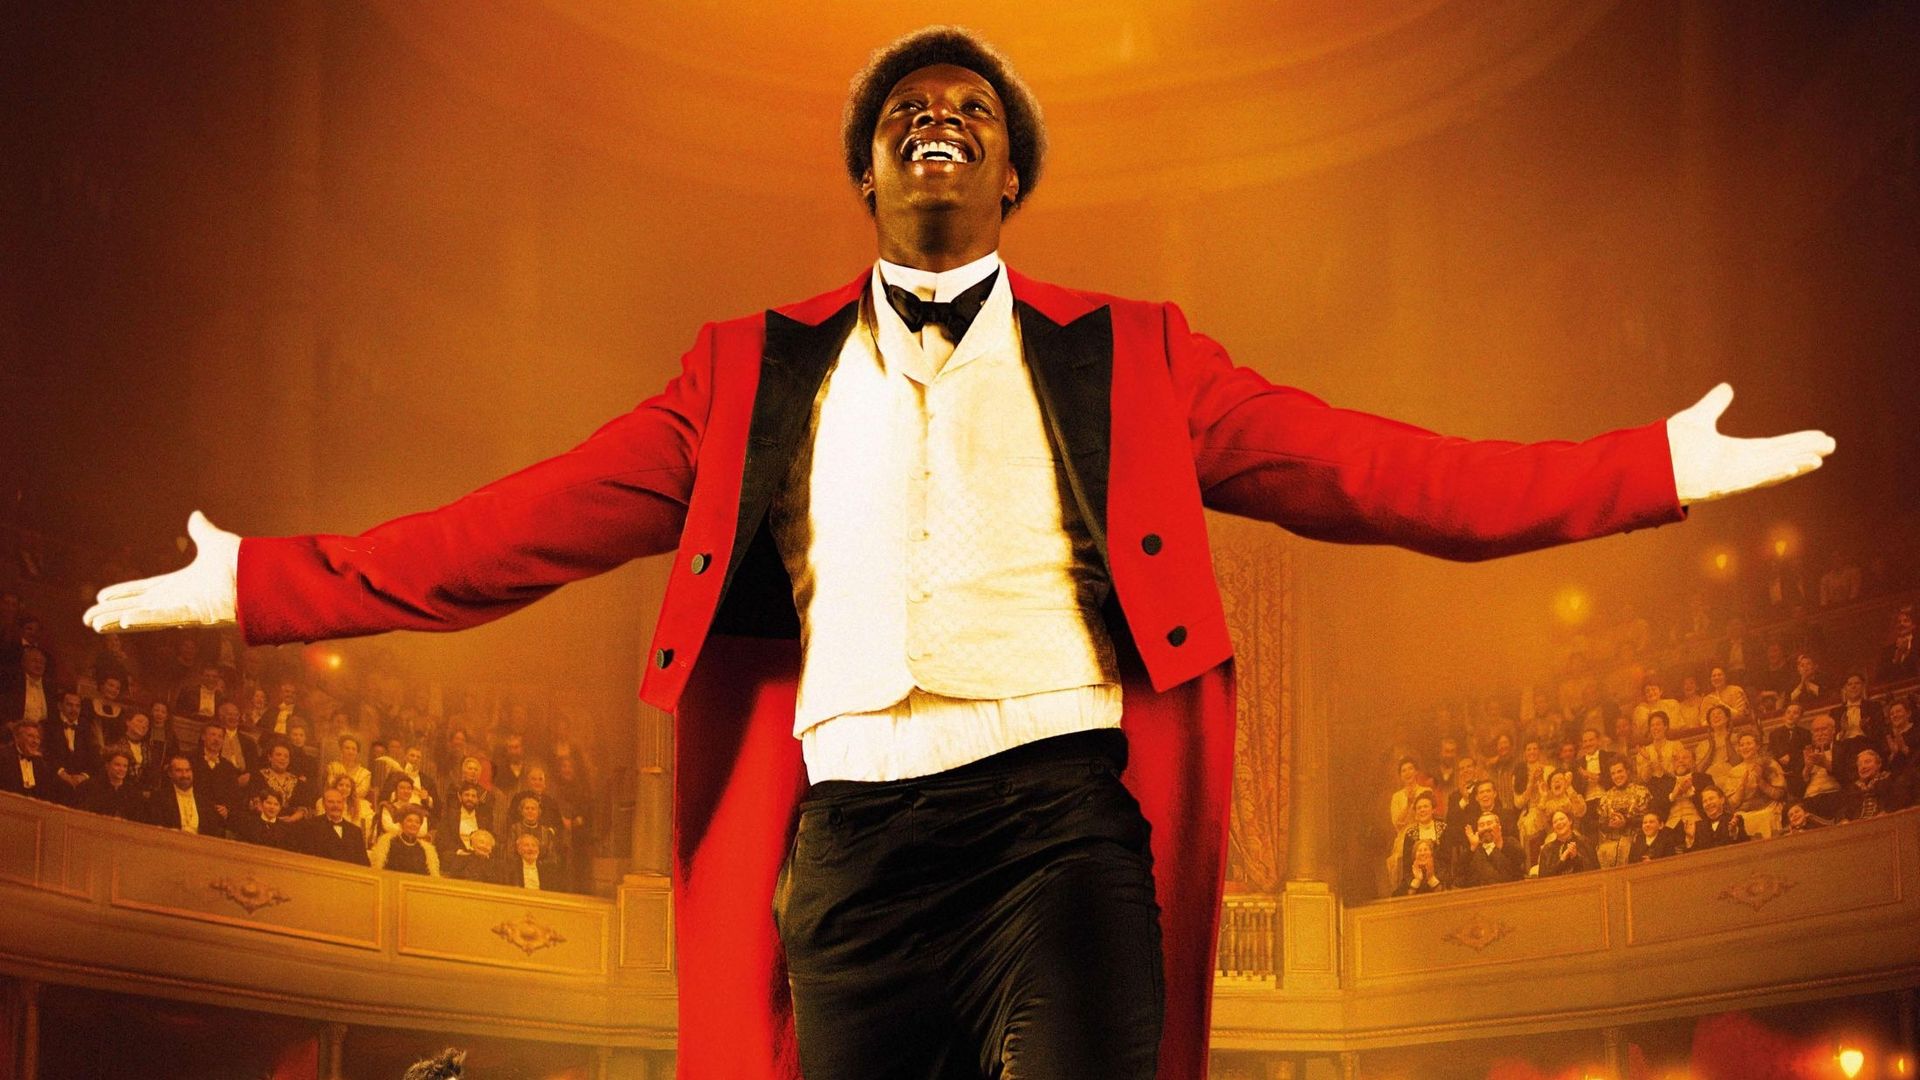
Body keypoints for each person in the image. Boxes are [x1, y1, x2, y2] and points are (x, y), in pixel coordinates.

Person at [78, 27, 1836, 1080]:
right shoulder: (739, 373)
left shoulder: (1143, 353)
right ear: (866, 174)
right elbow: (510, 532)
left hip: (1062, 816)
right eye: (908, 110)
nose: (941, 120)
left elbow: (1386, 473)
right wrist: (257, 581)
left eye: (975, 114)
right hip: (848, 841)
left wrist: (1651, 468)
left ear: (1010, 183)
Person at [147, 754, 221, 836]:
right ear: (170, 773)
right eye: (179, 770)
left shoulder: (205, 801)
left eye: (187, 770)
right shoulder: (159, 798)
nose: (184, 775)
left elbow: (213, 832)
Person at [303, 787, 372, 866]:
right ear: (323, 804)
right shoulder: (312, 825)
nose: (335, 805)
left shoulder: (355, 831)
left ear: (343, 805)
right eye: (331, 802)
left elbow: (364, 863)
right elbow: (307, 858)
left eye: (339, 802)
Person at [371, 803, 441, 875]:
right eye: (409, 821)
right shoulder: (389, 843)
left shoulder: (426, 850)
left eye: (417, 822)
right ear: (402, 823)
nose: (413, 824)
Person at [79, 749, 145, 821]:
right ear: (107, 765)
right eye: (117, 765)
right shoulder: (90, 786)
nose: (121, 769)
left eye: (125, 766)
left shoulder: (133, 793)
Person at [1535, 809, 1590, 876]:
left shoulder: (1584, 842)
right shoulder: (1546, 850)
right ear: (1553, 827)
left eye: (1562, 819)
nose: (1559, 823)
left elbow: (1593, 870)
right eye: (1555, 822)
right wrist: (1561, 860)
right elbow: (1543, 878)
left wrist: (1576, 857)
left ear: (1570, 821)